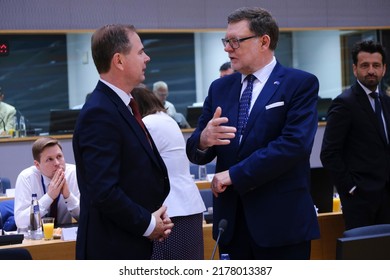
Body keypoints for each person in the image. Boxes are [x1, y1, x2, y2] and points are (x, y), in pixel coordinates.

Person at [186, 7, 320, 260]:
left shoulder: (299, 83)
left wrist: (235, 175)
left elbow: (294, 145)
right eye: (226, 41)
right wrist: (203, 140)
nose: (227, 48)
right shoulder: (220, 88)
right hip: (232, 225)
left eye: (235, 41)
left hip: (282, 225)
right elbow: (196, 150)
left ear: (264, 41)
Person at [72, 24, 173, 260]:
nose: (147, 58)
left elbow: (132, 176)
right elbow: (104, 191)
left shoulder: (121, 106)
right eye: (140, 52)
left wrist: (152, 215)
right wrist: (148, 223)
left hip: (129, 239)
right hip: (111, 248)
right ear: (118, 60)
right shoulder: (100, 112)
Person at [320, 40, 390, 230]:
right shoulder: (344, 103)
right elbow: (329, 153)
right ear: (354, 69)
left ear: (383, 69)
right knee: (364, 256)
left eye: (376, 65)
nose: (371, 71)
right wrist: (350, 189)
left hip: (387, 198)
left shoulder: (385, 101)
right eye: (365, 65)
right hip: (360, 200)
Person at [131, 87, 206, 259]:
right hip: (187, 204)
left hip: (170, 210)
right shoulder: (167, 119)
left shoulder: (148, 124)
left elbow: (136, 164)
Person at [14, 137, 80, 228]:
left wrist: (68, 197)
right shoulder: (26, 178)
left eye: (59, 156)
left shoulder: (73, 173)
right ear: (37, 165)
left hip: (64, 238)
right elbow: (21, 223)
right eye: (49, 159)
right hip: (34, 239)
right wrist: (49, 197)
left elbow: (86, 217)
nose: (57, 163)